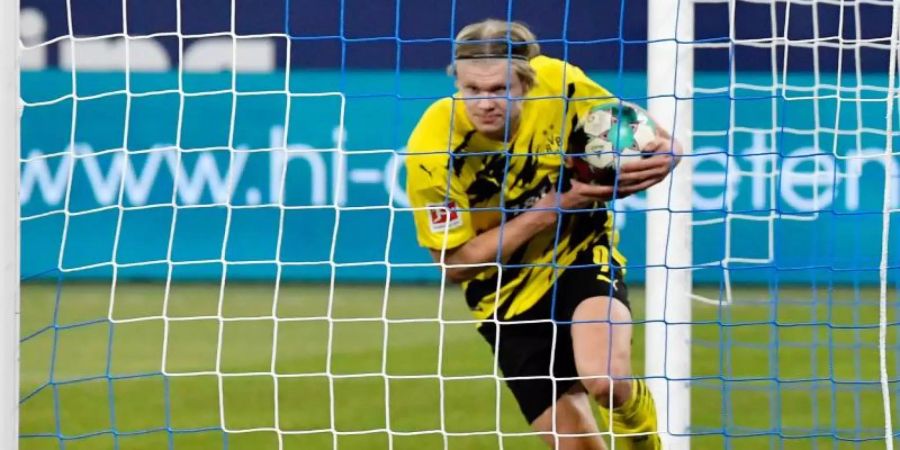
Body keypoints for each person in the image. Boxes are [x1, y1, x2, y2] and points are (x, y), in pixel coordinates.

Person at [405, 18, 681, 450]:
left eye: (499, 89)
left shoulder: (562, 82)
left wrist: (669, 152)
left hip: (578, 252)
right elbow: (455, 265)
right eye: (471, 90)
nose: (484, 103)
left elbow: (642, 133)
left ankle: (640, 432)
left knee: (606, 381)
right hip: (503, 296)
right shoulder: (432, 150)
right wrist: (548, 209)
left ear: (527, 81)